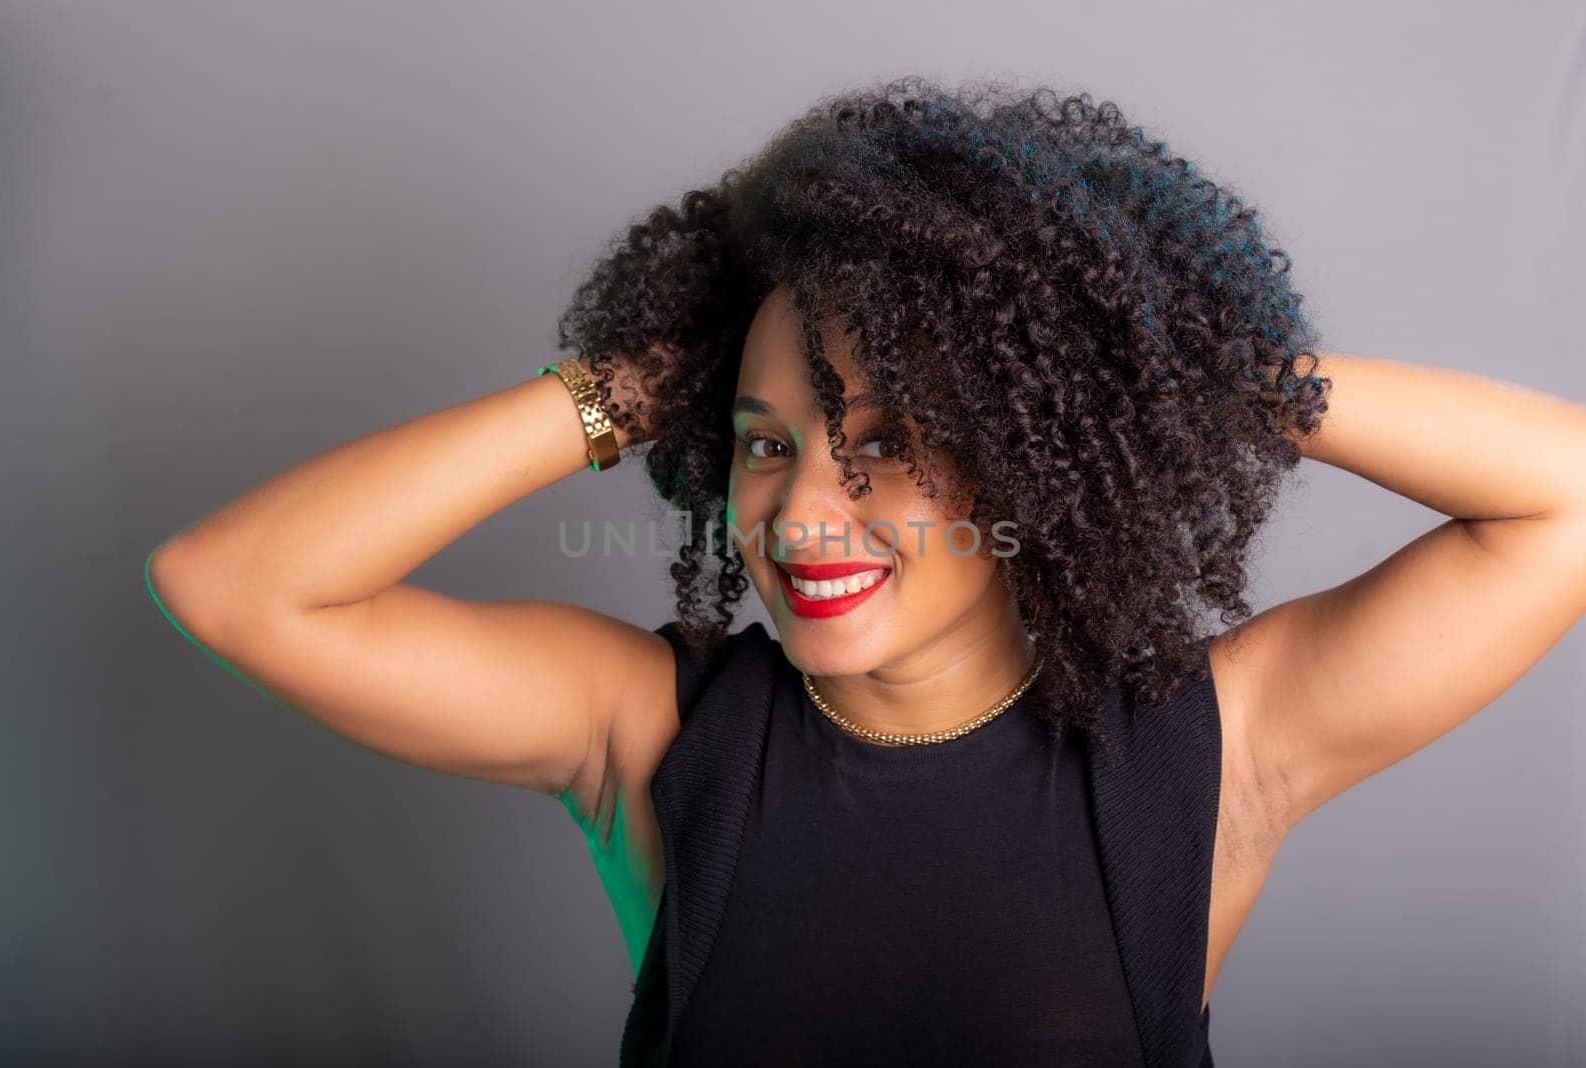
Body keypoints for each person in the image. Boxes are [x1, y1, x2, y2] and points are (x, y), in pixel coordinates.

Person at [144, 76, 1586, 1067]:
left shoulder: (1210, 754)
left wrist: (1169, 362)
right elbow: (239, 586)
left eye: (884, 442)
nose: (802, 512)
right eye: (764, 444)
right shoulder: (646, 732)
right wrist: (623, 390)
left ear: (1032, 449)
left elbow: (1563, 504)